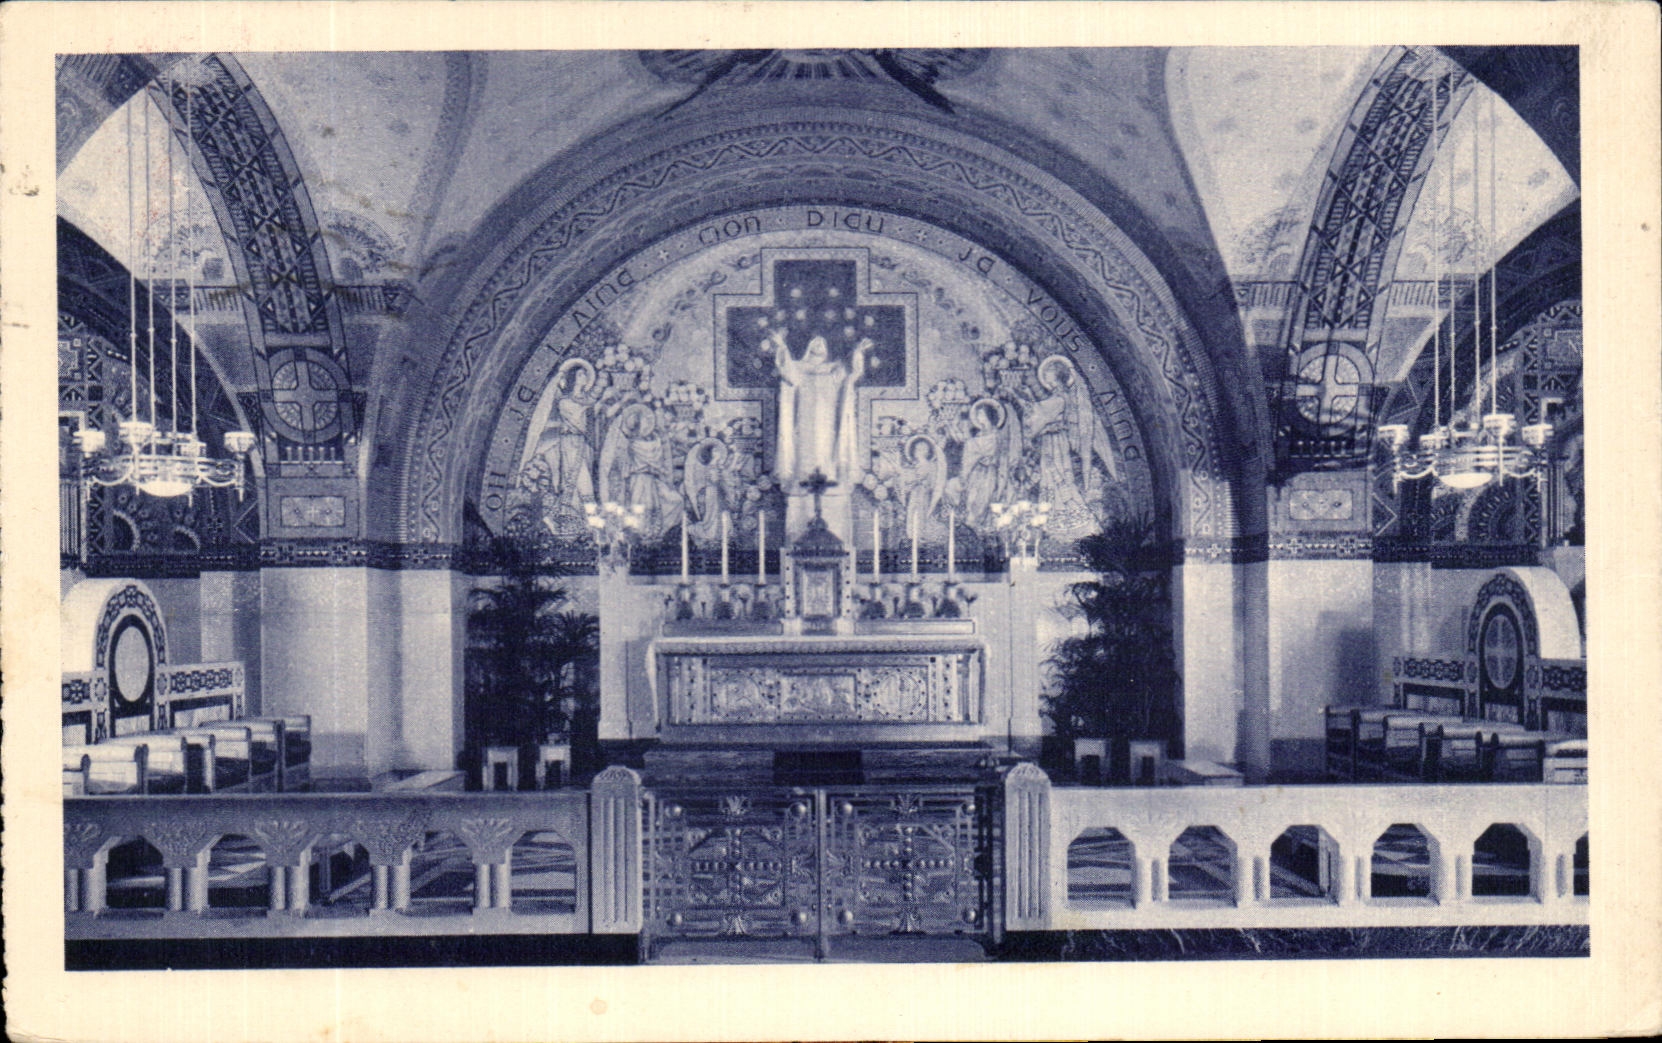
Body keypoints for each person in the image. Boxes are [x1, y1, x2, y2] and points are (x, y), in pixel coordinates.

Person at [769, 328, 872, 488]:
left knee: (827, 446)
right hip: (804, 419)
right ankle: (800, 480)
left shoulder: (834, 369)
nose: (819, 345)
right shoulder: (798, 368)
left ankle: (829, 477)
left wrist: (858, 352)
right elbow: (785, 368)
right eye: (815, 342)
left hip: (827, 420)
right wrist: (781, 345)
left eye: (822, 343)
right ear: (808, 347)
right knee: (803, 447)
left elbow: (852, 374)